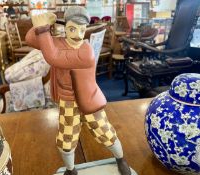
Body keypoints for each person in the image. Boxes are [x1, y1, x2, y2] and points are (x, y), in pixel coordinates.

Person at [25, 6, 132, 175]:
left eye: (82, 29)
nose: (78, 34)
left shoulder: (86, 51)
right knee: (67, 138)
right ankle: (70, 169)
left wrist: (44, 29)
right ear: (65, 27)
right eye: (72, 29)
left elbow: (54, 58)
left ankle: (121, 159)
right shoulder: (58, 42)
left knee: (104, 130)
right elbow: (31, 39)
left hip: (88, 100)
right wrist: (41, 25)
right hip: (67, 100)